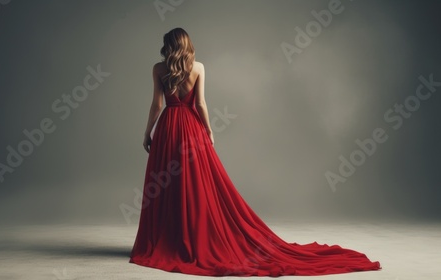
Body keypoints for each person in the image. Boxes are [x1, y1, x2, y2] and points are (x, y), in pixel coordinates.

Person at [129, 27, 381, 277]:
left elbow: (157, 105)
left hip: (169, 129)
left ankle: (171, 240)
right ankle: (191, 237)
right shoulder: (199, 67)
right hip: (192, 131)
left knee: (168, 184)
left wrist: (147, 132)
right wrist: (209, 130)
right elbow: (201, 104)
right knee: (195, 185)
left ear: (168, 46)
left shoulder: (159, 69)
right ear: (187, 44)